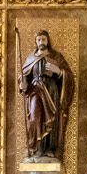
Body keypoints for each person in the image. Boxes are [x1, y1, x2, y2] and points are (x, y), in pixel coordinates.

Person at [18, 30, 73, 163]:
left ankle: (50, 149)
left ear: (48, 41)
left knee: (52, 119)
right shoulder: (31, 58)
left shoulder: (56, 57)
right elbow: (24, 76)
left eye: (43, 39)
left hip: (51, 90)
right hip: (35, 90)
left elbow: (69, 76)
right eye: (38, 40)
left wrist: (59, 72)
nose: (41, 42)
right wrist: (22, 84)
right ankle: (36, 149)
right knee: (34, 117)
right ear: (36, 42)